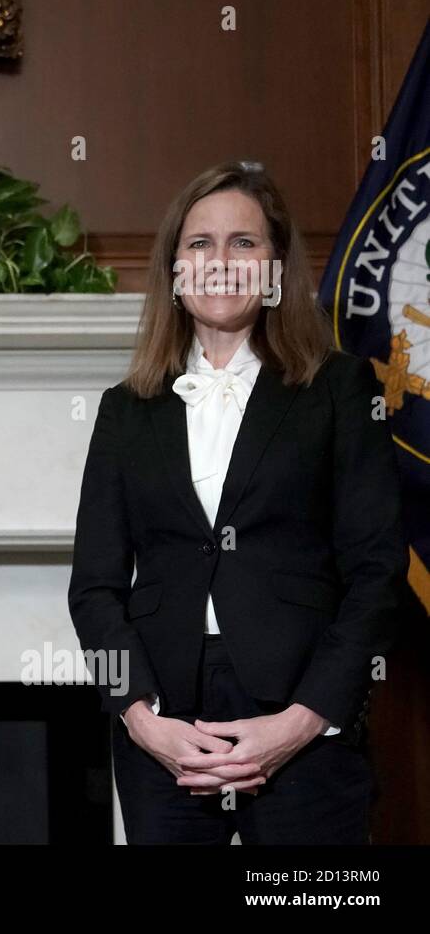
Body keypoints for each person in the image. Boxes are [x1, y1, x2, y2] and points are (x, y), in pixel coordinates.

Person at [67, 161, 408, 843]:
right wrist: (141, 719)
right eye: (200, 243)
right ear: (175, 268)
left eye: (243, 243)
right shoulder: (123, 410)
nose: (220, 261)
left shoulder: (341, 390)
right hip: (164, 730)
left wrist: (304, 720)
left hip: (304, 722)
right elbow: (95, 587)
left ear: (276, 266)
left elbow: (377, 573)